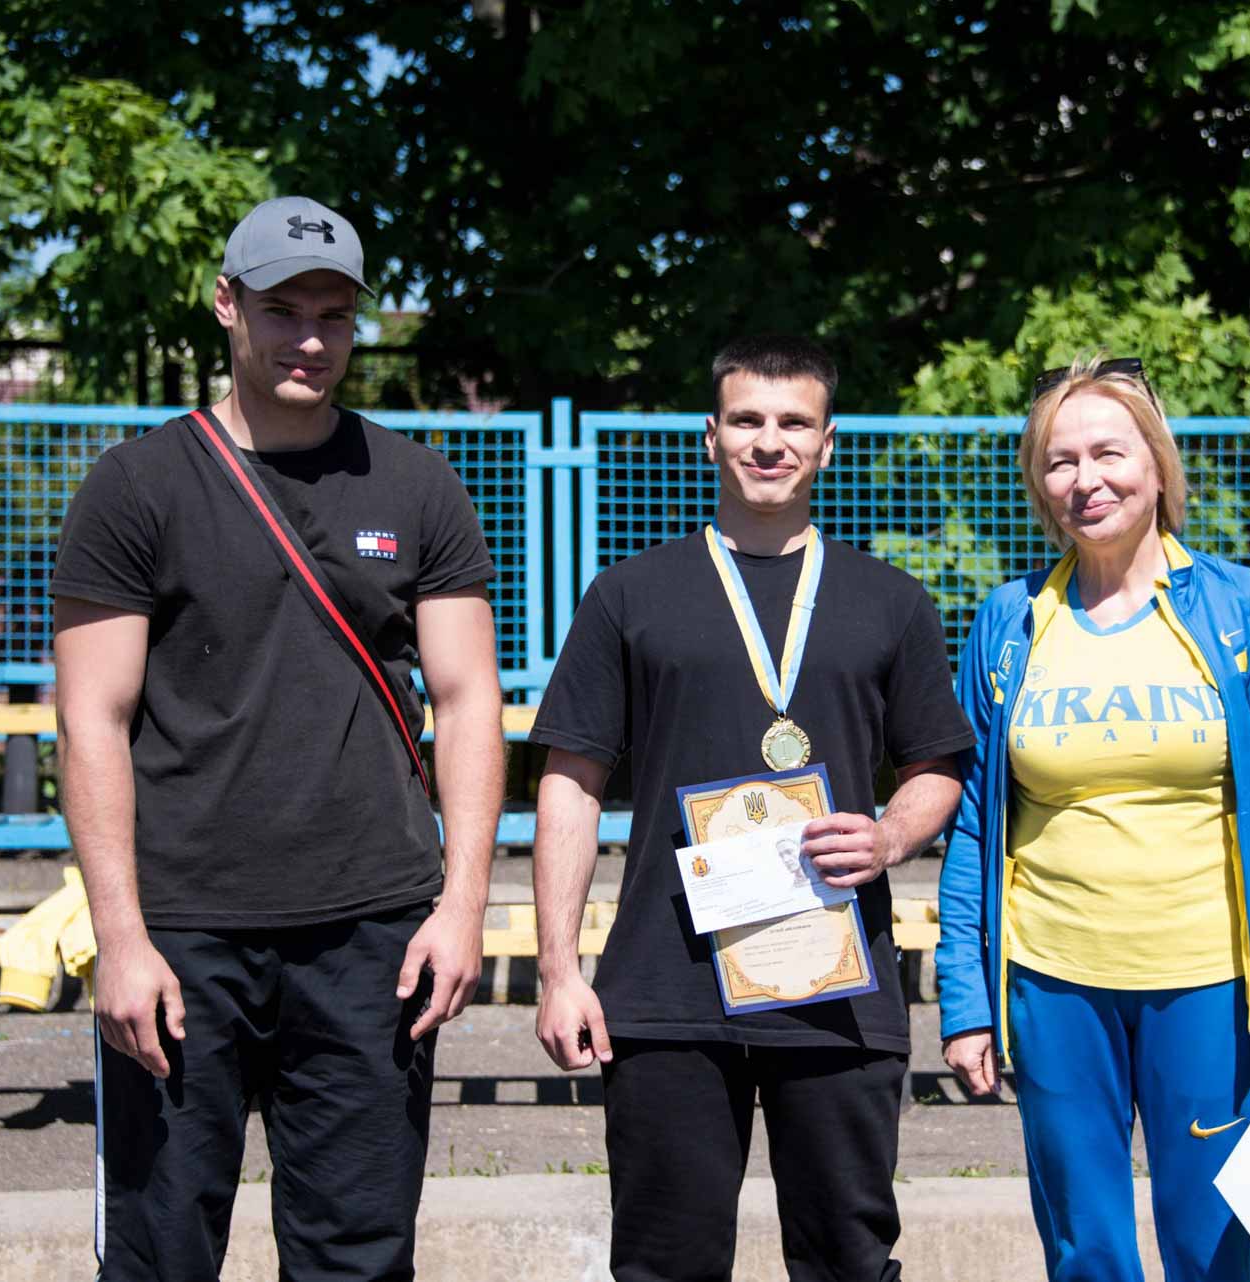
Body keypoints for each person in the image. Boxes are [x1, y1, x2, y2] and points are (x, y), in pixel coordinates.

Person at [52, 195, 505, 1282]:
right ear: (225, 304)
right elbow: (91, 719)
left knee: (356, 1258)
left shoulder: (417, 482)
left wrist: (462, 908)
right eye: (282, 309)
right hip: (183, 936)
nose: (309, 337)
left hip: (374, 939)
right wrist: (120, 937)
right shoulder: (137, 487)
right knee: (159, 1255)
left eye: (334, 315)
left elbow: (471, 697)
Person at [528, 335, 973, 1282]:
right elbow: (569, 781)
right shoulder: (628, 595)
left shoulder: (891, 602)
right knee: (665, 1265)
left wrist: (891, 832)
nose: (769, 443)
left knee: (849, 1259)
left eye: (793, 423)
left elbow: (939, 764)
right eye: (748, 421)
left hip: (836, 987)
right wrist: (559, 970)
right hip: (666, 992)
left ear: (828, 441)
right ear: (711, 435)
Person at [935, 355, 1250, 1282]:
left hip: (1208, 984)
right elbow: (973, 824)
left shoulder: (1242, 611)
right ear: (1040, 484)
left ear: (1158, 467)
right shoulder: (1009, 624)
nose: (1088, 480)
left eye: (1110, 453)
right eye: (1060, 460)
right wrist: (965, 999)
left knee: (1212, 1249)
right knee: (1086, 1249)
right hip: (1051, 983)